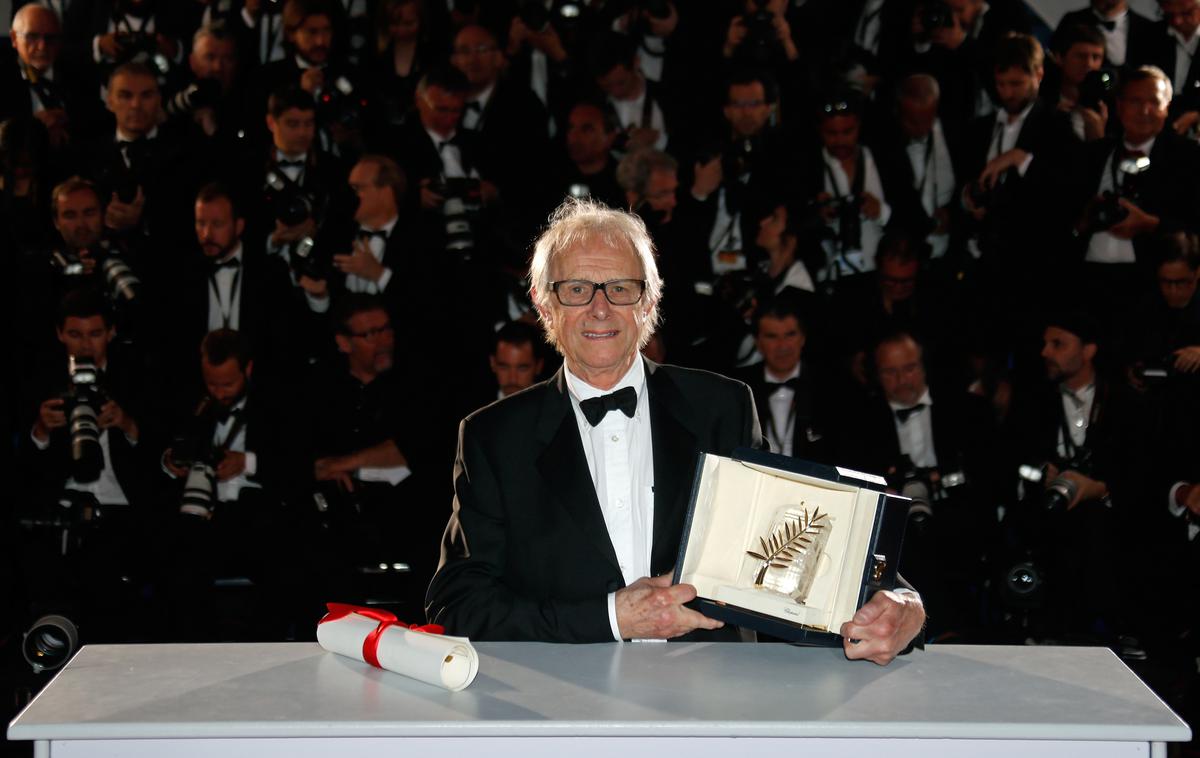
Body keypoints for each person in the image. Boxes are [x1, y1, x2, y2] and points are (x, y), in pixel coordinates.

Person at [426, 198, 925, 664]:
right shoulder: (493, 437)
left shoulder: (721, 407)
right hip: (566, 710)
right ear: (543, 304)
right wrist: (611, 617)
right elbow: (458, 606)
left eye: (620, 288)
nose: (600, 309)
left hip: (713, 705)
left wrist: (900, 603)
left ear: (650, 300)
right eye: (576, 289)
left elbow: (809, 533)